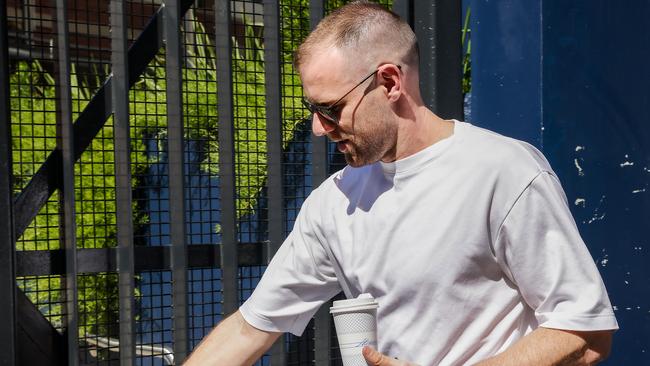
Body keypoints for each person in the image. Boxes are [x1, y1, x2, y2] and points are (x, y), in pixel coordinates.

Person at [185, 2, 618, 365]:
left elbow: (584, 331)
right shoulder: (333, 203)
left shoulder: (502, 171)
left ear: (390, 81)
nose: (318, 128)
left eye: (331, 108)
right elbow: (249, 328)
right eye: (311, 108)